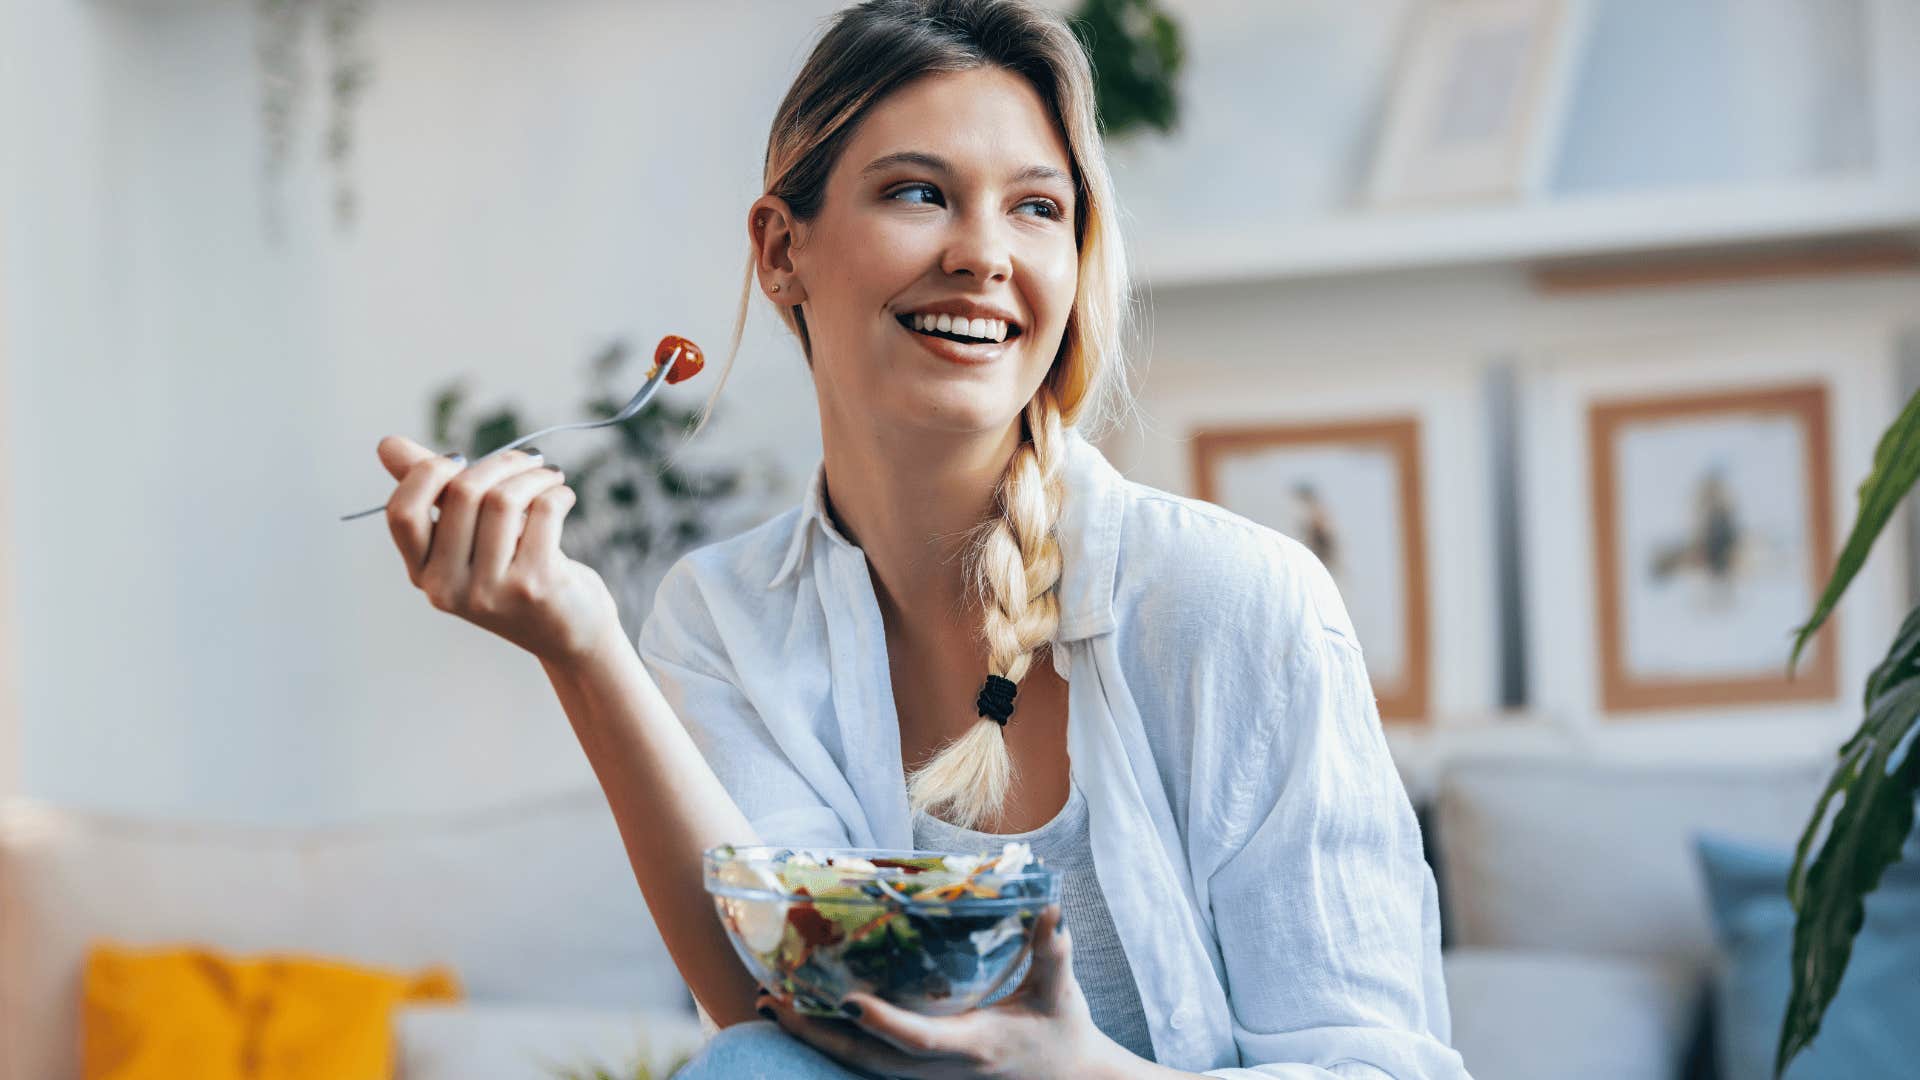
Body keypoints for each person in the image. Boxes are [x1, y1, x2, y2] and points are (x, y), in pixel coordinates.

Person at [372, 1, 1469, 1076]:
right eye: (918, 193)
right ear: (780, 248)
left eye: (1038, 209)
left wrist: (1073, 1075)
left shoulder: (1239, 603)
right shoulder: (725, 616)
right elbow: (780, 1004)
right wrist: (581, 644)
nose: (984, 254)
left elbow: (1383, 1069)